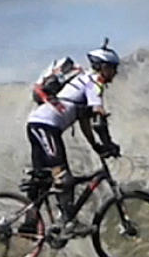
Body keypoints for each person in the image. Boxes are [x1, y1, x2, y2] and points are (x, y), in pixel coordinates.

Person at [22, 40, 122, 231]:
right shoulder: (93, 83)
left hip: (39, 125)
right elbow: (98, 116)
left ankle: (30, 224)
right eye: (113, 68)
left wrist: (96, 146)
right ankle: (67, 221)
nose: (115, 73)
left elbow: (85, 122)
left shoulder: (83, 82)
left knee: (43, 178)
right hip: (46, 127)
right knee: (63, 177)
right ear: (103, 67)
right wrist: (108, 143)